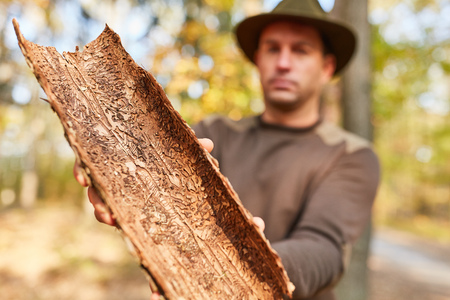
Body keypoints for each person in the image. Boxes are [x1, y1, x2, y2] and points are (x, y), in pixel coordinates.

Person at [74, 0, 380, 299]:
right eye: (273, 48)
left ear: (327, 67)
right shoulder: (213, 134)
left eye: (301, 50)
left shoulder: (351, 154)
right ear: (258, 58)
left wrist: (243, 273)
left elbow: (323, 248)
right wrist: (112, 167)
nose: (284, 62)